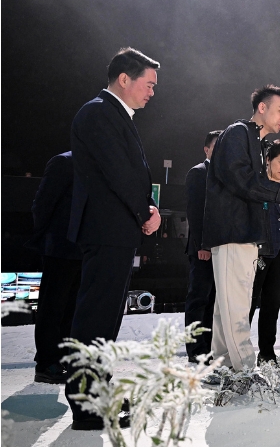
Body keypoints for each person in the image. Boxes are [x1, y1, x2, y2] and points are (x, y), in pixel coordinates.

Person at [66, 47, 162, 430]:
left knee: (105, 321)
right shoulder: (98, 113)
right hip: (106, 231)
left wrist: (145, 210)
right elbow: (119, 172)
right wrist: (145, 211)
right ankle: (88, 407)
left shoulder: (112, 114)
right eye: (149, 84)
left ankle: (99, 399)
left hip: (116, 232)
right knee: (95, 319)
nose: (152, 92)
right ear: (124, 78)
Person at [202, 85, 280, 372]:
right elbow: (240, 179)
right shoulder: (238, 133)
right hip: (234, 232)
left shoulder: (255, 141)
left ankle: (222, 367)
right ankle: (246, 371)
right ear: (262, 107)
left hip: (244, 234)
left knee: (226, 309)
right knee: (238, 308)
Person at [25, 151, 83, 384]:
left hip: (84, 249)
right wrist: (48, 237)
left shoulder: (97, 162)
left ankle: (61, 359)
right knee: (52, 308)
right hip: (59, 248)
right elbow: (42, 204)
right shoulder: (64, 162)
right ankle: (46, 363)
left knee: (71, 309)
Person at [248, 140, 280, 365]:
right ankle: (239, 351)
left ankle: (266, 353)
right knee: (248, 303)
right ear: (268, 160)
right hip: (257, 255)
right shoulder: (257, 186)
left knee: (272, 305)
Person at [184, 130, 222, 363]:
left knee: (213, 301)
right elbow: (195, 213)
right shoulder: (198, 173)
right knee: (198, 300)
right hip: (203, 250)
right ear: (206, 149)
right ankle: (195, 349)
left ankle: (208, 348)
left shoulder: (224, 175)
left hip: (220, 250)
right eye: (216, 147)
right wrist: (202, 245)